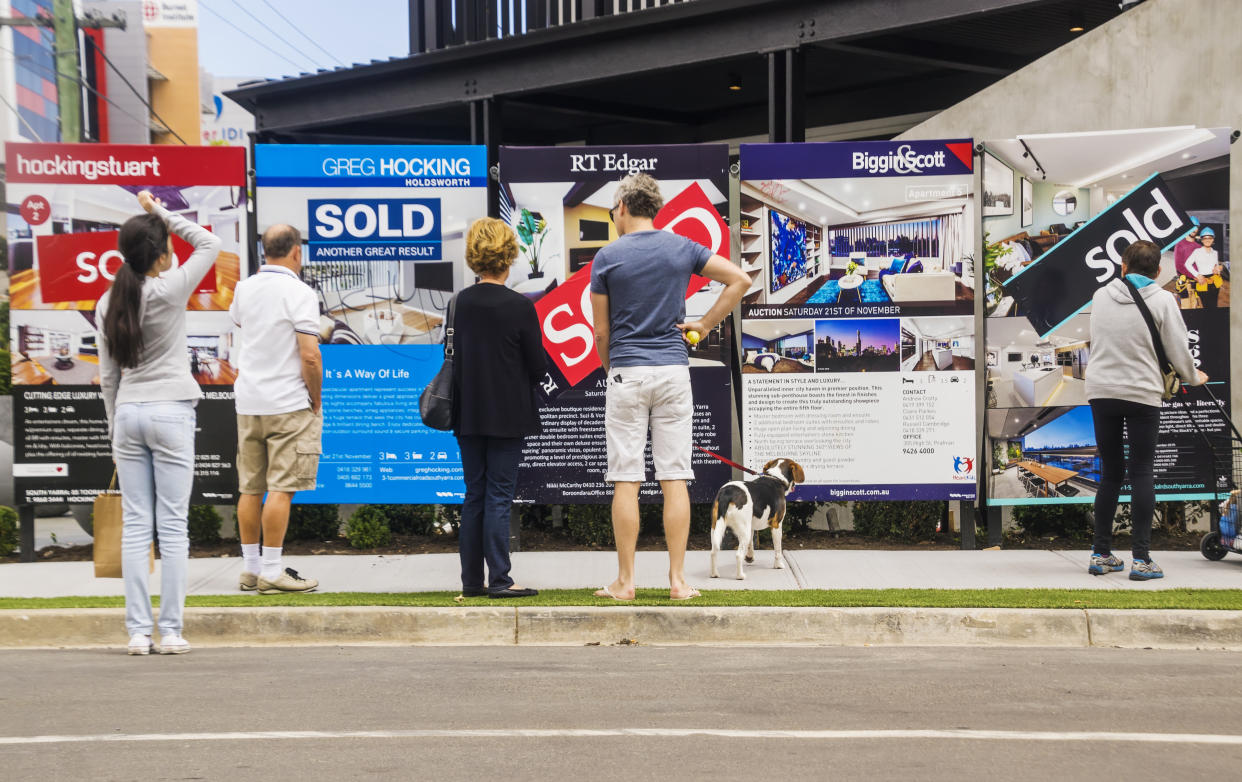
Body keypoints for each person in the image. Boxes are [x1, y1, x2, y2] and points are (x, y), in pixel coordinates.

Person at [590, 173, 750, 601]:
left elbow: (601, 332)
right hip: (674, 372)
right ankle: (678, 581)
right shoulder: (682, 247)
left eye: (612, 209)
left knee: (626, 478)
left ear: (623, 205)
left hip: (627, 371)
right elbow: (740, 280)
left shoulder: (606, 257)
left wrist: (611, 369)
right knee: (675, 477)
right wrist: (703, 324)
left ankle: (625, 583)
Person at [98, 190, 222, 655]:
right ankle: (169, 632)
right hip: (171, 411)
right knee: (172, 528)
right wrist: (160, 212)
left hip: (128, 412)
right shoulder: (170, 289)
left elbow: (109, 376)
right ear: (162, 255)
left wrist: (115, 428)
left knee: (136, 527)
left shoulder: (108, 303)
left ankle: (136, 633)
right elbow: (209, 244)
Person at [1085, 240, 1207, 581]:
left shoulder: (1100, 296)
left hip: (1102, 391)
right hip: (1141, 392)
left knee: (1110, 472)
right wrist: (1194, 378)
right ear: (1157, 272)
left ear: (1123, 266)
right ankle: (1141, 560)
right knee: (1141, 471)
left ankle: (1101, 555)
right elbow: (1179, 349)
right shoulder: (1164, 299)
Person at [452, 218, 546, 598]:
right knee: (498, 495)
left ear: (474, 257)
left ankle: (472, 582)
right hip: (508, 415)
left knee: (475, 492)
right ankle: (501, 581)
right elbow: (538, 368)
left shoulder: (458, 303)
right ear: (508, 257)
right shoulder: (519, 306)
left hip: (467, 413)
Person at [230, 225, 322, 595]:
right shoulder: (299, 293)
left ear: (264, 250)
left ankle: (251, 569)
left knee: (250, 489)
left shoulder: (244, 288)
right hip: (287, 404)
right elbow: (310, 356)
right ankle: (271, 569)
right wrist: (315, 398)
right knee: (281, 489)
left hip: (249, 402)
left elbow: (242, 327)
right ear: (296, 253)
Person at [1184, 226, 1222, 309]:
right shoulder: (1197, 252)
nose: (1207, 240)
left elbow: (1215, 265)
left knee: (1214, 304)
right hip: (1203, 282)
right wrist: (1197, 275)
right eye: (1205, 238)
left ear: (1213, 239)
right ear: (1201, 240)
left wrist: (1218, 268)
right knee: (1206, 305)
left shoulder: (1215, 252)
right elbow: (1187, 264)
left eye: (1210, 238)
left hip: (1215, 282)